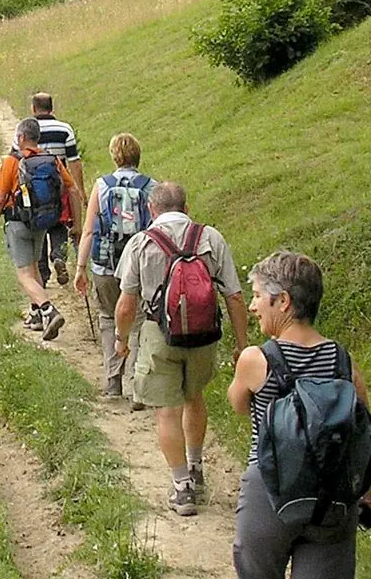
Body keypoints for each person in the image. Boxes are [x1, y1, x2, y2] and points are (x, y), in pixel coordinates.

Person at [227, 250, 371, 579]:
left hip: (269, 490)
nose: (252, 306)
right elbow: (364, 435)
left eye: (257, 296)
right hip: (334, 496)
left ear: (282, 301)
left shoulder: (256, 359)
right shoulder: (342, 361)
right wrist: (369, 495)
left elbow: (237, 405)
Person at [112, 181, 250, 516]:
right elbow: (234, 295)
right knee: (194, 397)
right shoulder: (210, 237)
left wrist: (121, 338)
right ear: (186, 209)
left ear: (151, 210)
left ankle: (182, 488)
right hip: (204, 335)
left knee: (167, 411)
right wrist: (242, 345)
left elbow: (127, 303)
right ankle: (197, 467)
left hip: (160, 336)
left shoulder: (141, 242)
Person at [0, 117, 85, 341]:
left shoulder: (12, 162)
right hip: (42, 223)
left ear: (21, 137)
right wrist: (76, 224)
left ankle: (49, 310)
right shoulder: (52, 161)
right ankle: (37, 316)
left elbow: (1, 197)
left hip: (18, 223)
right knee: (35, 269)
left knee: (24, 275)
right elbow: (73, 191)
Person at [71, 133, 153, 399]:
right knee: (139, 321)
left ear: (114, 156)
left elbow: (88, 231)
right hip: (139, 267)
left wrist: (81, 267)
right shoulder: (151, 187)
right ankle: (136, 385)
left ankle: (113, 381)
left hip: (105, 265)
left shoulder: (102, 186)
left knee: (108, 318)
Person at [29, 93, 82, 287]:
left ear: (33, 109)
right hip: (59, 185)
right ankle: (59, 257)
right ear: (52, 108)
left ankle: (42, 273)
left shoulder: (26, 129)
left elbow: (16, 159)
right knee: (59, 224)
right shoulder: (64, 129)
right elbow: (74, 162)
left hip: (34, 188)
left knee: (38, 226)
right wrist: (78, 189)